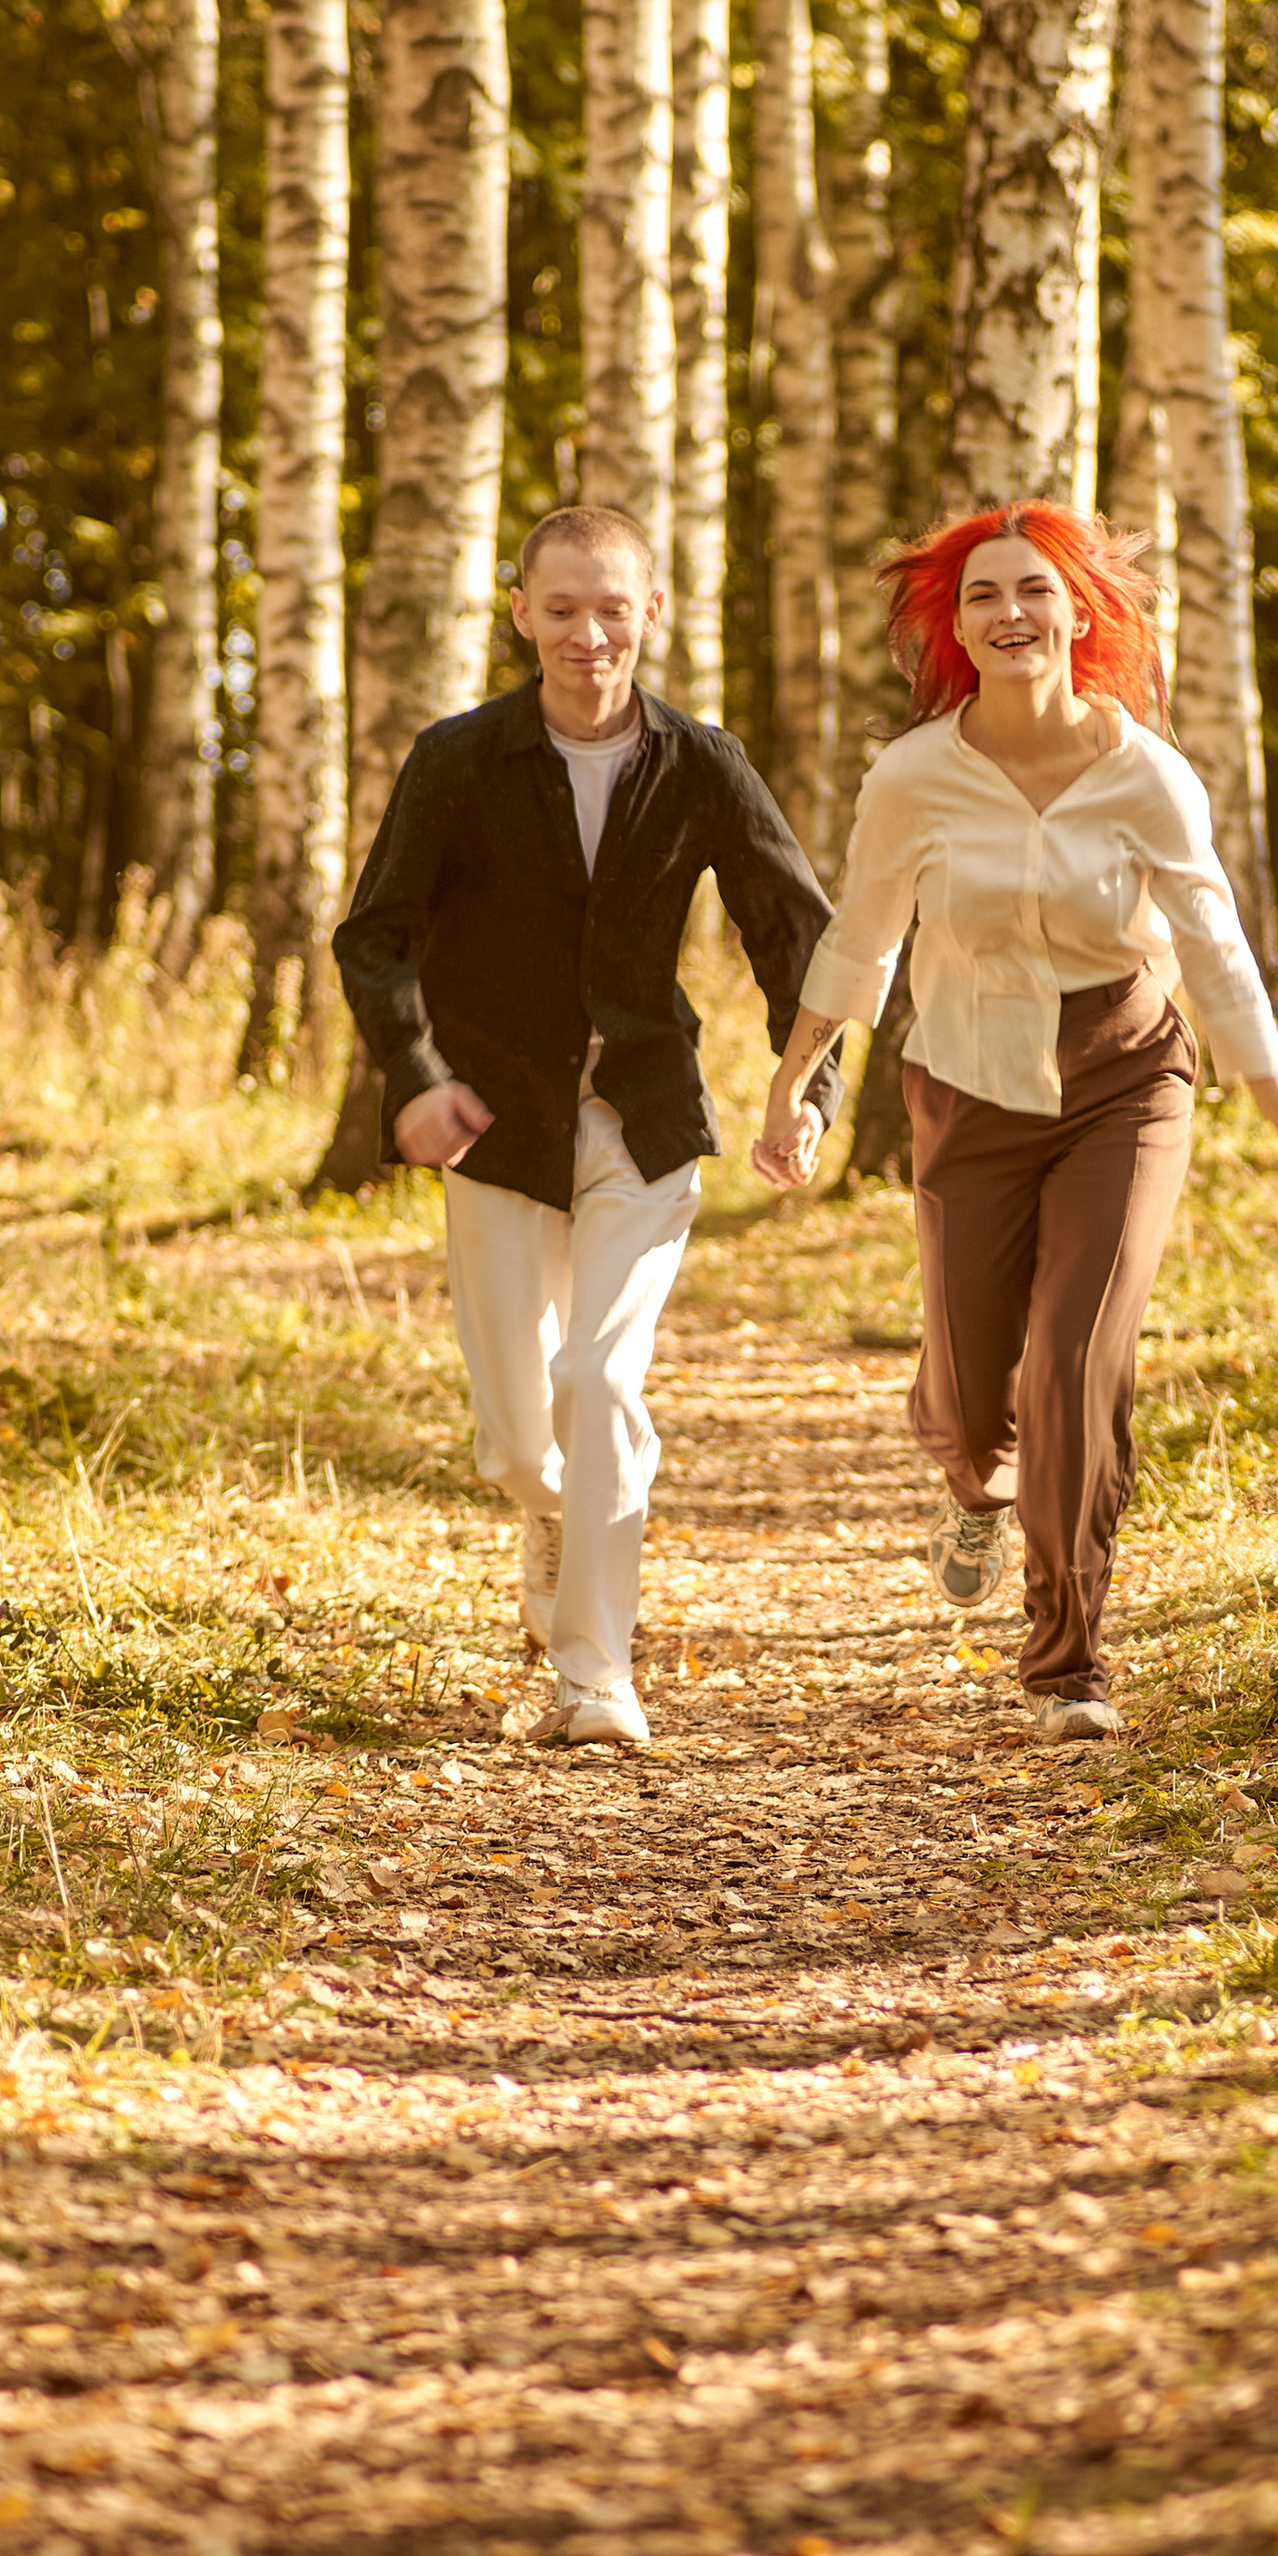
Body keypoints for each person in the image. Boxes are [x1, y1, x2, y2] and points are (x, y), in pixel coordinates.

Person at [756, 502, 1278, 1746]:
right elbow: (863, 936)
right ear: (955, 625)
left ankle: (1067, 1658)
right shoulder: (915, 773)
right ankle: (972, 1473)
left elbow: (1219, 958)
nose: (1010, 614)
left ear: (1079, 612)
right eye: (983, 595)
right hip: (968, 1080)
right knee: (977, 1403)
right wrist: (792, 1088)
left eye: (1034, 591)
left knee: (1075, 1356)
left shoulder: (1147, 772)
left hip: (1123, 1078)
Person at [334, 505, 836, 1750]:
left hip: (644, 1119)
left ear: (650, 615)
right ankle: (548, 1510)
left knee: (598, 1380)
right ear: (520, 614)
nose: (588, 633)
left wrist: (807, 1092)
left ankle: (595, 1676)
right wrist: (413, 1078)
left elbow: (797, 932)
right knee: (518, 1435)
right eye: (561, 607)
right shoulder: (458, 759)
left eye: (612, 608)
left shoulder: (702, 761)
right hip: (497, 1123)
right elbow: (375, 935)